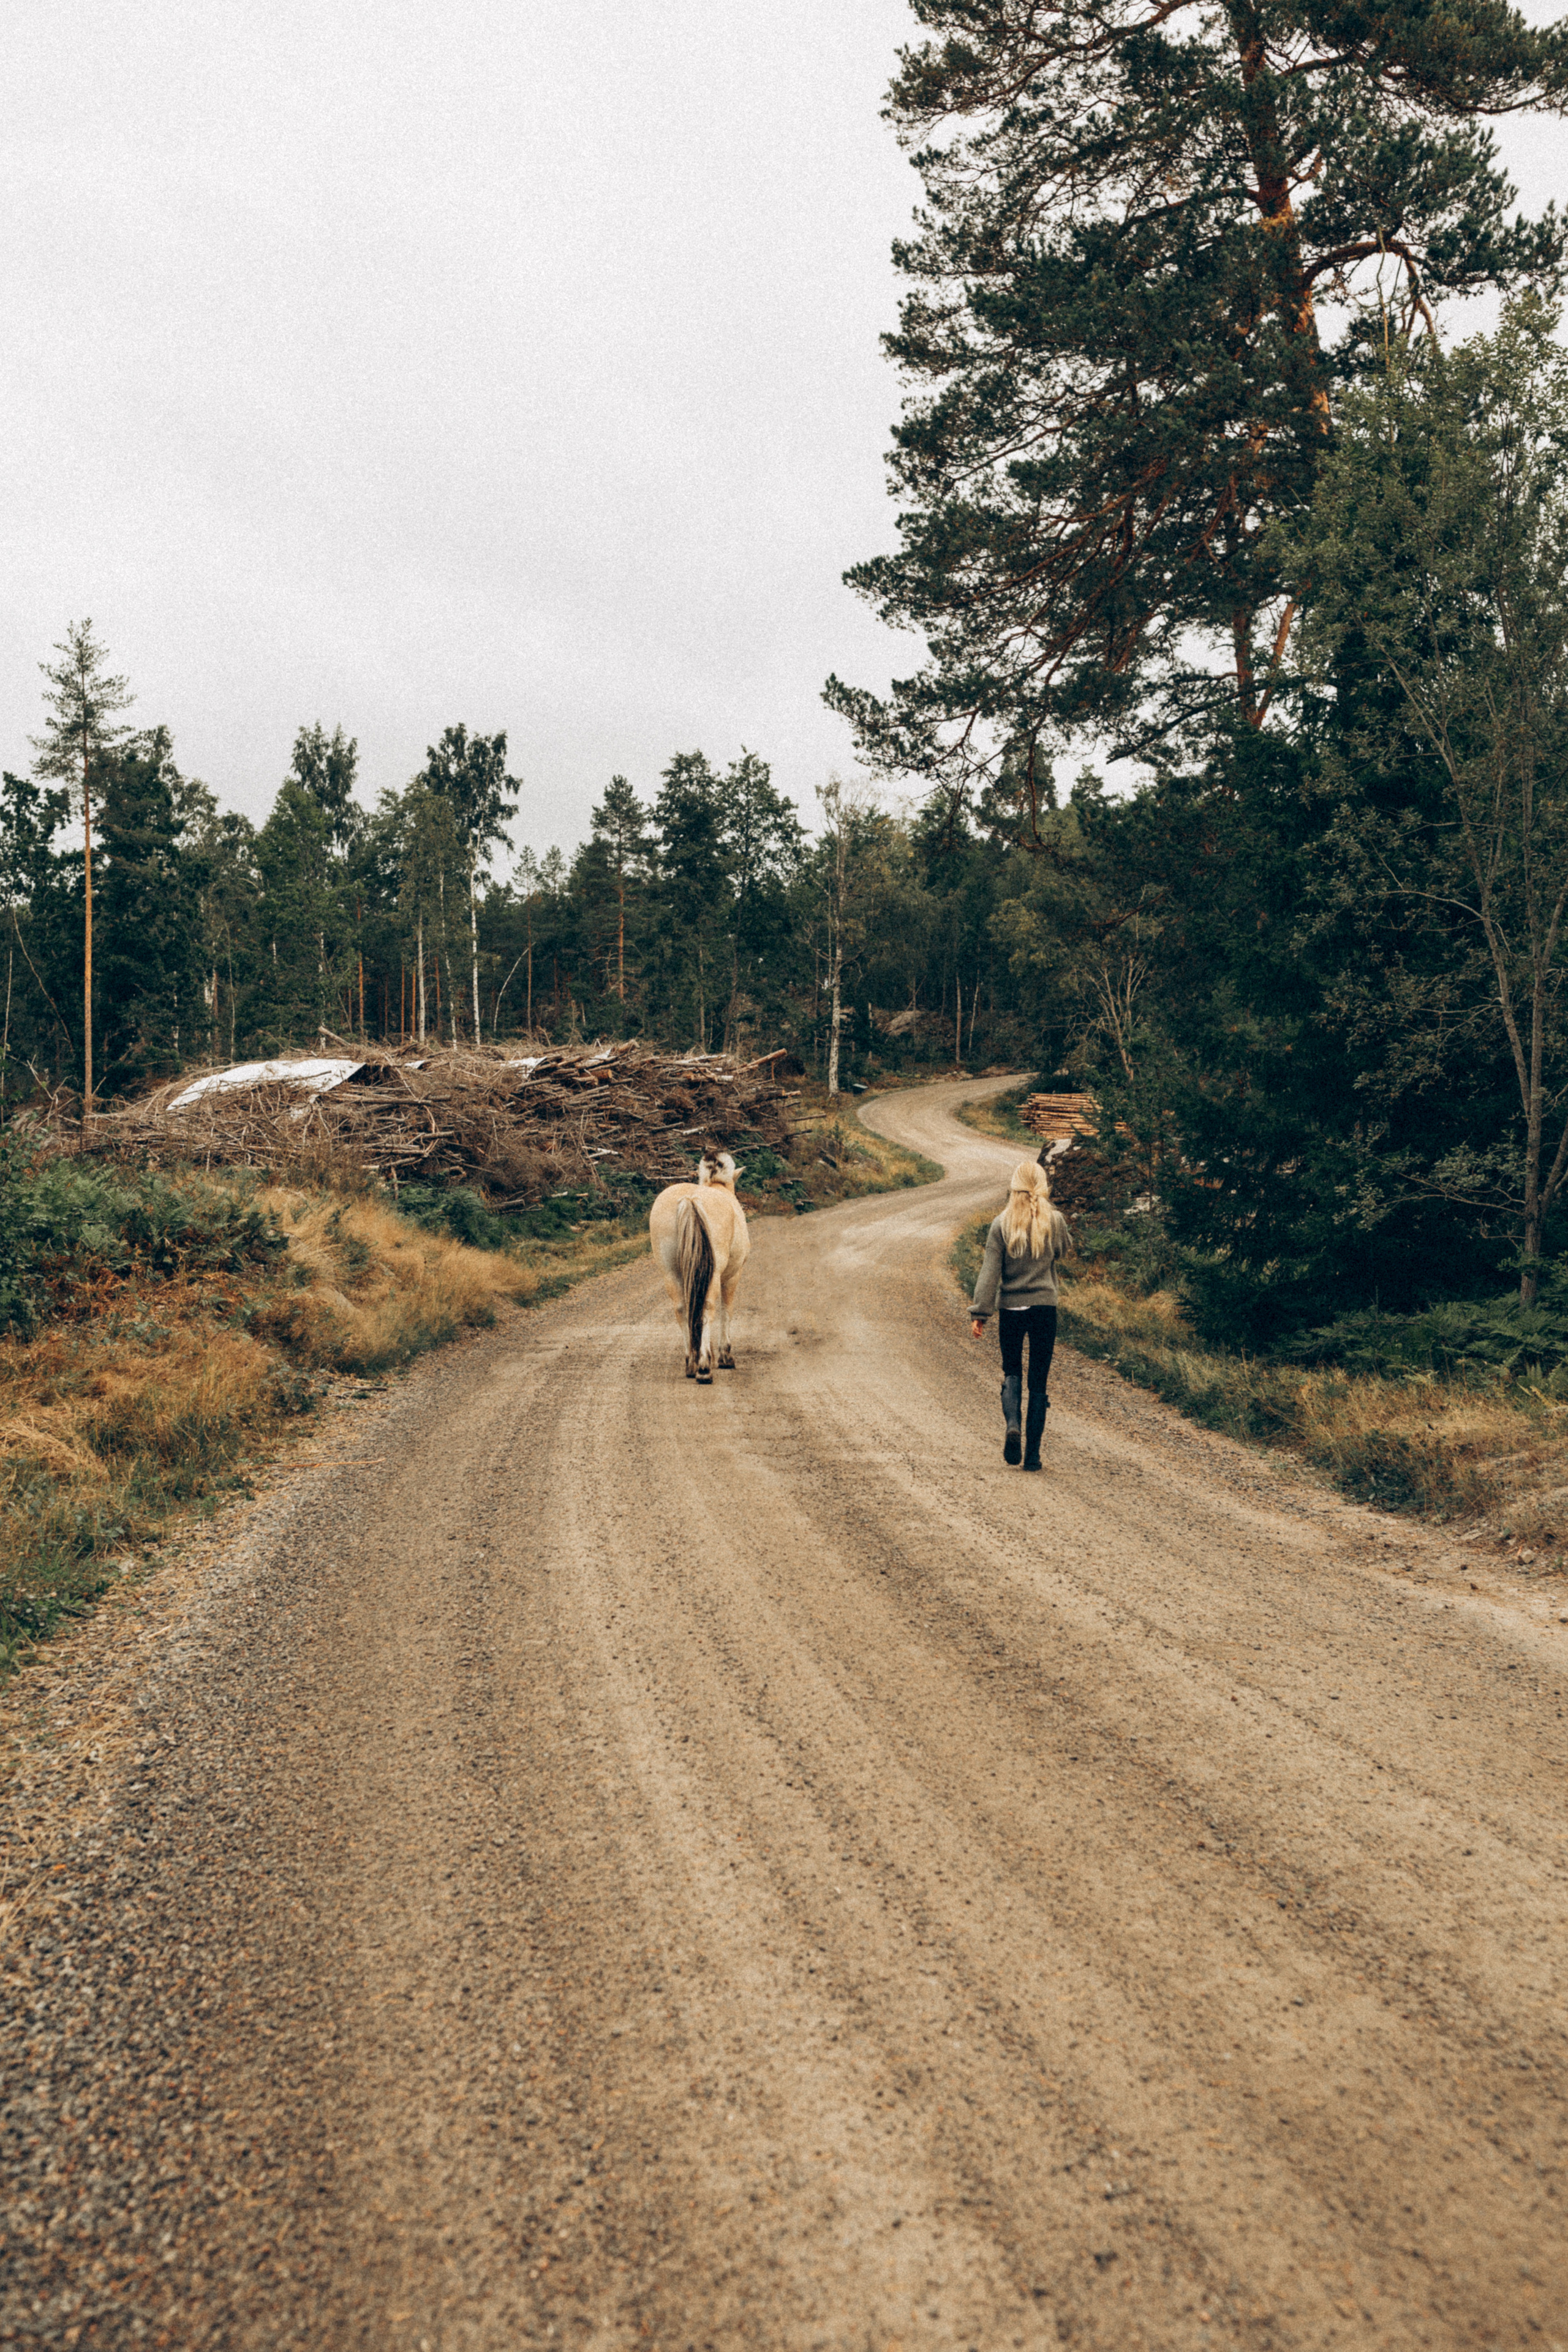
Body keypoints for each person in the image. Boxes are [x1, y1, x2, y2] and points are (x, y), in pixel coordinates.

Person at [969, 1160, 1073, 1470]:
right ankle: (1033, 1457)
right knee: (1039, 1383)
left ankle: (1012, 1424)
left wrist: (981, 1313)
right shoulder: (1054, 1221)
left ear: (1013, 1187)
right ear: (1041, 1187)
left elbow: (990, 1274)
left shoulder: (1000, 1224)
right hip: (1044, 1309)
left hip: (1011, 1309)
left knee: (1012, 1371)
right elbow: (1065, 1250)